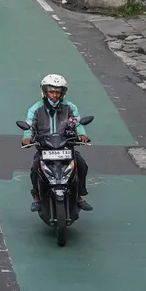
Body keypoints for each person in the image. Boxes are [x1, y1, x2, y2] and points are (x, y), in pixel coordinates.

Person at [22, 73, 91, 211]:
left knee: (81, 165)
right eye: (51, 92)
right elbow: (29, 126)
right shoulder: (35, 109)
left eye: (58, 92)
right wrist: (27, 137)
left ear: (63, 93)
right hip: (45, 149)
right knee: (35, 168)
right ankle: (36, 196)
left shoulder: (70, 107)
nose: (54, 95)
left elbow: (77, 123)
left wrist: (82, 135)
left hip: (66, 147)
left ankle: (79, 196)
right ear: (44, 91)